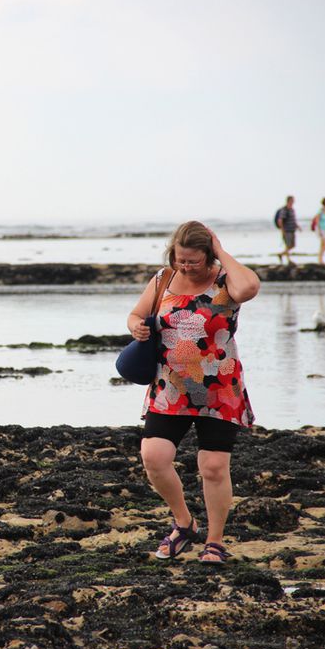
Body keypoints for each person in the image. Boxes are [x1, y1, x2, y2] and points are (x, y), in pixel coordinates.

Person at [126, 221, 260, 565]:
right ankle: (184, 523)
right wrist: (136, 327)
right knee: (153, 458)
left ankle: (214, 542)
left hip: (219, 389)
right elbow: (136, 314)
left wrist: (221, 253)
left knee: (213, 467)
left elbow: (248, 288)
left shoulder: (225, 281)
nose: (185, 266)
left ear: (209, 255)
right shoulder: (163, 279)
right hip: (170, 387)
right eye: (180, 259)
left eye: (193, 261)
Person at [275, 195, 299, 265]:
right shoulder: (284, 210)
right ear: (289, 201)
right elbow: (280, 221)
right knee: (288, 245)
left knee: (292, 245)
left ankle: (281, 254)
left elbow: (293, 220)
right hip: (286, 230)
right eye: (292, 200)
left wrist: (298, 226)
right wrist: (282, 230)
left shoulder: (292, 209)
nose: (293, 201)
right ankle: (288, 260)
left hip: (292, 230)